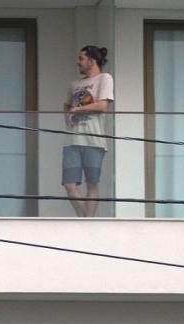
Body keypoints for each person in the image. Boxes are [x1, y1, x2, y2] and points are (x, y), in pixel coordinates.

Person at [62, 45, 113, 217]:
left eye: (81, 58)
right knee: (69, 184)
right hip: (72, 140)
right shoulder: (75, 84)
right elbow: (67, 104)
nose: (78, 62)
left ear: (92, 60)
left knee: (92, 183)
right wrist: (67, 115)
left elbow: (102, 105)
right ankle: (86, 219)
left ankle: (87, 222)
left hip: (94, 140)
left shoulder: (104, 78)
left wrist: (76, 110)